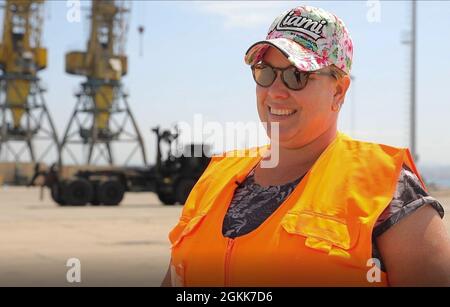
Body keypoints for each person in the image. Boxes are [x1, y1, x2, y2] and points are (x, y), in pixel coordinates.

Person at [162, 5, 450, 287]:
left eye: (296, 75)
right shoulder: (215, 178)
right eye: (265, 72)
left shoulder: (387, 190)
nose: (275, 91)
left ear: (338, 90)